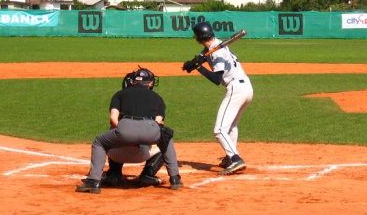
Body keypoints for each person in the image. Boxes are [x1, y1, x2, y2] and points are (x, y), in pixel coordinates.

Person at [76, 67, 182, 194]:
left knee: (100, 141)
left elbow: (113, 118)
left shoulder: (119, 94)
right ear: (149, 83)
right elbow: (158, 122)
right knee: (166, 137)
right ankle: (174, 179)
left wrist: (126, 135)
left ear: (132, 82)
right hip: (148, 134)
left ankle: (96, 181)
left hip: (122, 136)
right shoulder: (157, 97)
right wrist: (142, 137)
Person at [182, 21, 253, 175]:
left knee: (219, 130)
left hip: (236, 89)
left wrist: (199, 68)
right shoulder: (215, 45)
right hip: (246, 87)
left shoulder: (217, 51)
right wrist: (193, 62)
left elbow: (216, 79)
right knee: (231, 127)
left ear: (199, 37)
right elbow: (202, 56)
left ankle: (235, 159)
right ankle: (229, 157)